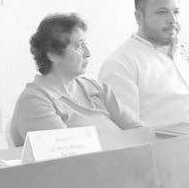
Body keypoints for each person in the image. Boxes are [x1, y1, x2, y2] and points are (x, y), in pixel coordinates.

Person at [10, 13, 142, 147]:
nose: (87, 53)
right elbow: (66, 154)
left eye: (85, 44)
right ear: (53, 55)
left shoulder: (97, 88)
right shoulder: (34, 101)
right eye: (79, 46)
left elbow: (139, 132)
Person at [99, 0, 189, 125]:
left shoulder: (183, 51)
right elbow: (127, 130)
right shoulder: (121, 64)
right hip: (167, 139)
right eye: (162, 12)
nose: (173, 20)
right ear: (139, 17)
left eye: (176, 12)